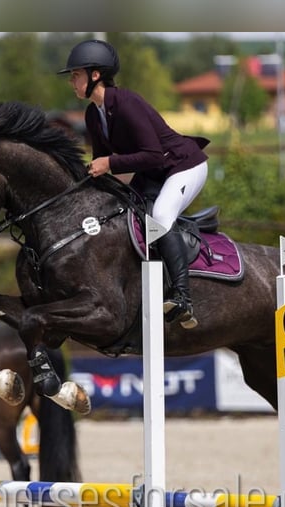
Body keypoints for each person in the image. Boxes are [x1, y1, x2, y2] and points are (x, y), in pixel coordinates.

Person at [58, 39, 209, 329]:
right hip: (154, 174)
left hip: (183, 166)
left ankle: (182, 298)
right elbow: (101, 164)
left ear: (95, 75)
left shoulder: (127, 102)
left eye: (75, 75)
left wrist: (110, 164)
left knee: (161, 217)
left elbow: (151, 155)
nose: (72, 82)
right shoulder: (93, 114)